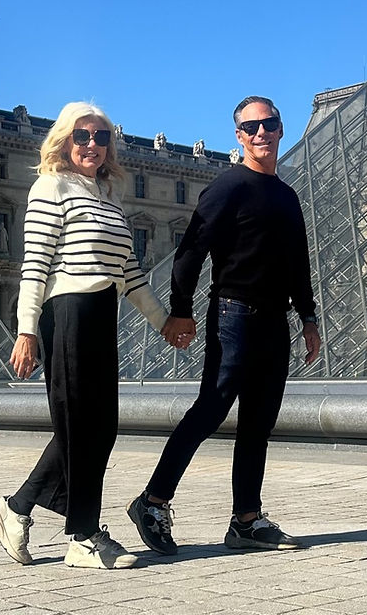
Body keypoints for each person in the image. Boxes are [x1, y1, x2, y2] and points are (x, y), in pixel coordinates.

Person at [128, 96, 320, 556]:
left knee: (259, 422)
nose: (261, 133)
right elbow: (189, 252)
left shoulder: (288, 196)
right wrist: (180, 310)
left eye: (269, 124)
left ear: (280, 129)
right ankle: (152, 501)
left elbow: (298, 264)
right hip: (233, 314)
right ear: (239, 136)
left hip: (275, 320)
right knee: (210, 409)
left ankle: (246, 521)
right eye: (251, 127)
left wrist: (308, 317)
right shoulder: (227, 187)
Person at [0, 101, 169, 571]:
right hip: (65, 310)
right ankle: (83, 536)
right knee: (82, 425)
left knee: (97, 427)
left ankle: (16, 507)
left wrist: (163, 321)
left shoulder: (108, 194)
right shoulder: (51, 186)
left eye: (101, 137)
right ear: (64, 141)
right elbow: (35, 264)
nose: (91, 145)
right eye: (82, 136)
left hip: (102, 311)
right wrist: (26, 331)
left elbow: (129, 272)